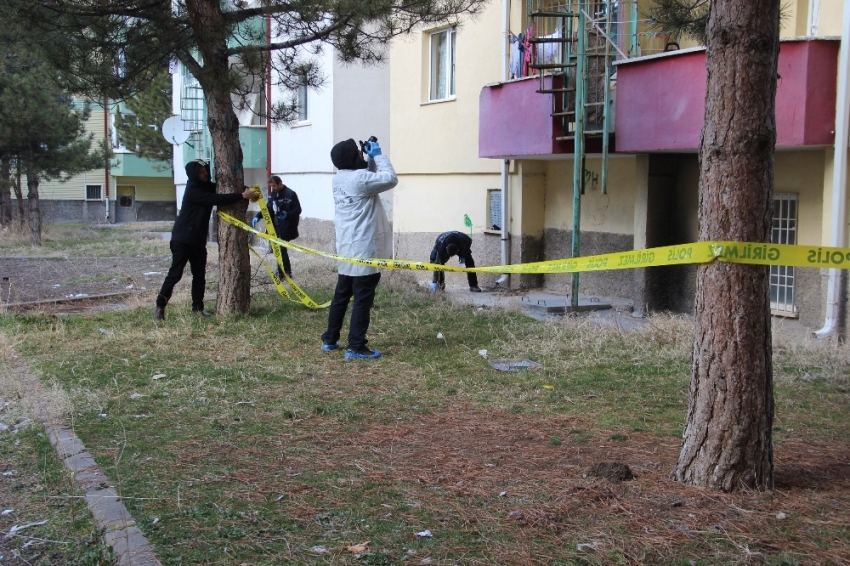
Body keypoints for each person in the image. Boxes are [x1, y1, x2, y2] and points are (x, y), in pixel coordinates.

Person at [321, 138, 397, 359]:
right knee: (363, 298)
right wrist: (378, 156)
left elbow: (369, 180)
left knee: (342, 295)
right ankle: (356, 346)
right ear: (352, 158)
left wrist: (369, 159)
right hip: (363, 250)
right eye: (358, 153)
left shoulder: (339, 179)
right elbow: (389, 179)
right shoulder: (360, 179)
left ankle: (330, 339)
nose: (361, 155)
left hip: (346, 247)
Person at [154, 159, 257, 321]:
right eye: (201, 172)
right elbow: (216, 199)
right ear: (194, 173)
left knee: (199, 276)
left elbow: (222, 189)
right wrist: (241, 196)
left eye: (205, 171)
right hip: (182, 239)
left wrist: (245, 189)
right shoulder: (193, 189)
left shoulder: (205, 185)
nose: (205, 174)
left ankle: (197, 309)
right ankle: (160, 306)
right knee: (175, 274)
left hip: (197, 241)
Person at [251, 176, 302, 279]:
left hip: (286, 227)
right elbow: (268, 209)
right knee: (277, 249)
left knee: (281, 249)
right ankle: (283, 271)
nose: (273, 188)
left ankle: (284, 272)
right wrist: (258, 216)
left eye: (274, 186)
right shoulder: (273, 195)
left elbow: (298, 210)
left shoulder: (290, 194)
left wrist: (287, 214)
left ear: (280, 183)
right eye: (271, 186)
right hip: (274, 226)